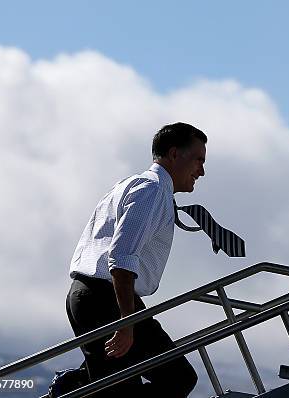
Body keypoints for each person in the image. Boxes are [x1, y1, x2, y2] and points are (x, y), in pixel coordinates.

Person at [66, 122, 206, 397]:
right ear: (175, 154)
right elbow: (121, 257)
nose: (201, 171)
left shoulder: (131, 184)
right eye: (198, 160)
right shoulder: (152, 190)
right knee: (177, 377)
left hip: (92, 296)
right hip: (106, 299)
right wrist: (126, 324)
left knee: (115, 385)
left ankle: (72, 387)